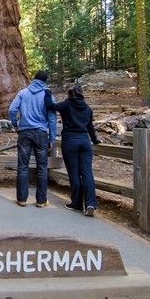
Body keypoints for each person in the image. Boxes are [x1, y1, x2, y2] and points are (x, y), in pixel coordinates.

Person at [45, 83, 100, 216]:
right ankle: (90, 203)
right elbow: (90, 128)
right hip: (85, 142)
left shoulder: (66, 105)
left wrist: (47, 93)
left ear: (70, 94)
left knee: (74, 173)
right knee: (87, 173)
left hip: (70, 142)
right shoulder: (88, 109)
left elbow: (51, 106)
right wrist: (95, 140)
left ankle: (76, 203)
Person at [9, 70, 57, 207]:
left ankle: (22, 199)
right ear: (45, 81)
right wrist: (52, 138)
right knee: (42, 167)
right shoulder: (48, 96)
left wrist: (15, 124)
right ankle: (41, 201)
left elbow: (12, 109)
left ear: (34, 79)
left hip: (24, 132)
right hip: (41, 133)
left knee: (23, 166)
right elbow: (52, 119)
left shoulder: (23, 93)